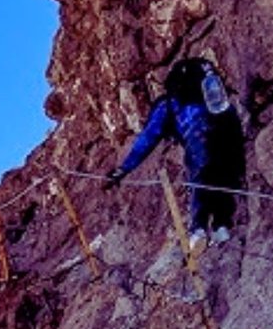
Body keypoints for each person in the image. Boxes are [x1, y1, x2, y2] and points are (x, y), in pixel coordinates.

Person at [105, 57, 247, 251]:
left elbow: (147, 139)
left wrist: (123, 169)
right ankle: (221, 224)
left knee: (200, 176)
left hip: (198, 134)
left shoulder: (168, 105)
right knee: (223, 174)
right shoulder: (207, 93)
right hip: (228, 129)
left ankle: (199, 229)